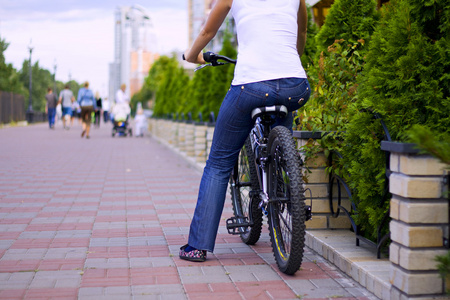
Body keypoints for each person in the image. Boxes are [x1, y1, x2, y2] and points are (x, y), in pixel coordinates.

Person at [180, 0, 311, 262]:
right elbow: (302, 32)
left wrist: (191, 56)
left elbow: (207, 32)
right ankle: (286, 188)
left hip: (249, 86)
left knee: (218, 163)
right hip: (295, 85)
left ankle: (197, 246)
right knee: (281, 149)